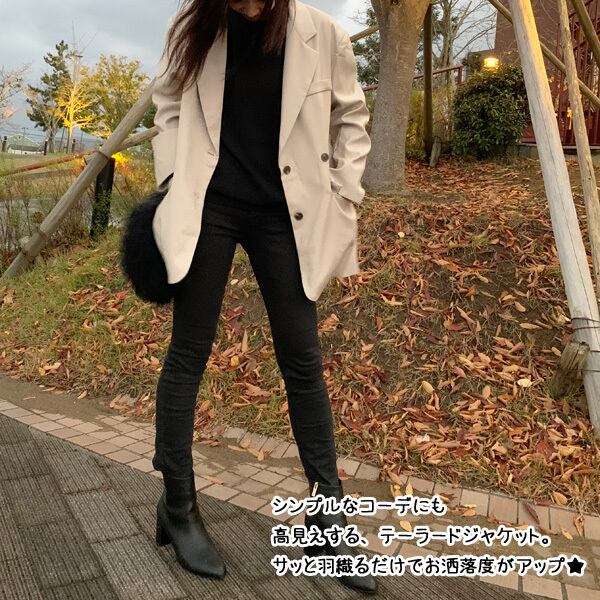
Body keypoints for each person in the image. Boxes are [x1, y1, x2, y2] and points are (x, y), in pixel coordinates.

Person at [151, 0, 375, 594]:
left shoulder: (321, 33)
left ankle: (327, 517)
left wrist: (345, 192)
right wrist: (171, 178)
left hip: (286, 213)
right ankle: (177, 504)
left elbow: (351, 117)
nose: (246, 6)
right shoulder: (194, 25)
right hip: (210, 206)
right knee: (189, 351)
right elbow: (167, 104)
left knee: (303, 360)